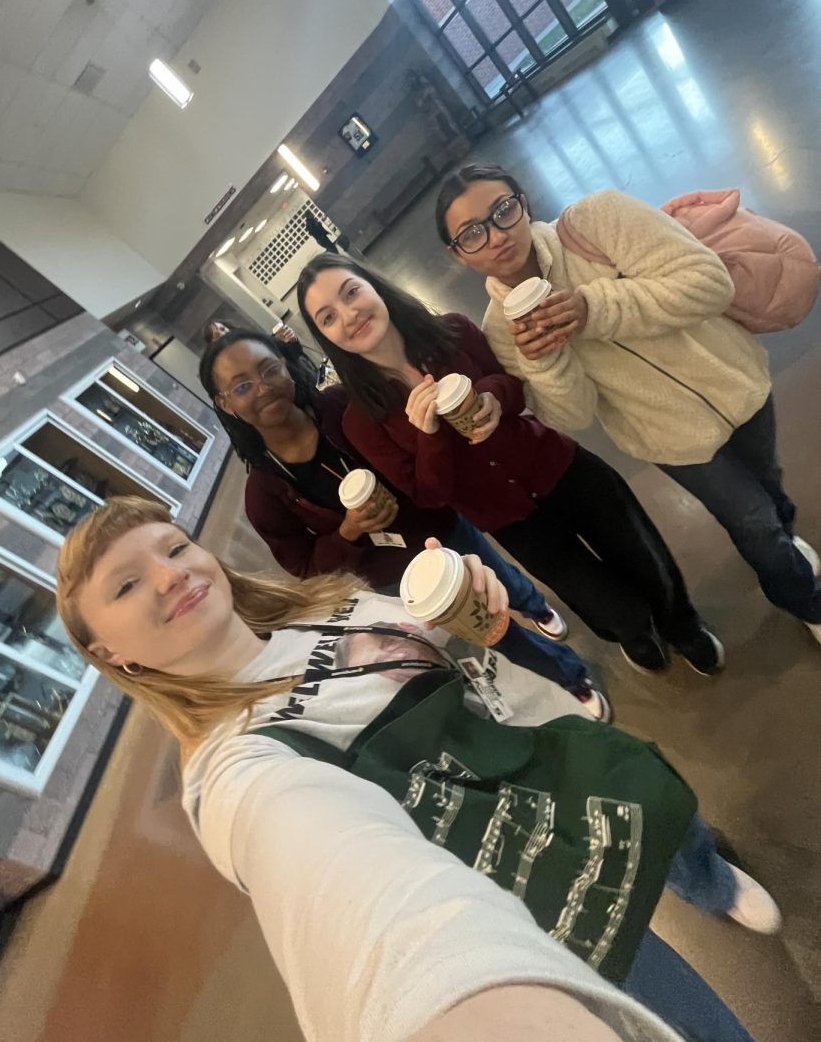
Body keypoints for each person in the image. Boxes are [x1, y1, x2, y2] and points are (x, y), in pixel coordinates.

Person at [55, 496, 779, 1042]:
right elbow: (344, 885)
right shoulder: (233, 770)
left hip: (546, 751)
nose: (167, 576)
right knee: (659, 1001)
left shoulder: (319, 606)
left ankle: (708, 883)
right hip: (518, 877)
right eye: (124, 586)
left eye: (175, 547)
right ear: (111, 655)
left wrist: (466, 599)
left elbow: (448, 635)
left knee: (665, 813)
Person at [435, 164, 821, 644]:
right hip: (668, 437)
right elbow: (572, 415)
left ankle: (785, 536)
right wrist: (549, 357)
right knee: (751, 520)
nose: (495, 235)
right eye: (472, 233)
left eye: (502, 209)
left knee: (770, 479)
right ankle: (803, 598)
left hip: (735, 381)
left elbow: (708, 282)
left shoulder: (599, 220)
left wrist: (593, 309)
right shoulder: (499, 330)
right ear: (458, 255)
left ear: (523, 201)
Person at [297, 254, 724, 678]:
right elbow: (430, 495)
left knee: (643, 556)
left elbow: (515, 386)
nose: (349, 315)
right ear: (325, 336)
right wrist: (431, 435)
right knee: (601, 600)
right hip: (511, 520)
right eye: (328, 317)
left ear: (373, 286)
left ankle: (682, 624)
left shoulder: (453, 331)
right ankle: (634, 633)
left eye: (351, 292)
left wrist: (492, 399)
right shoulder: (362, 419)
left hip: (562, 467)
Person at [198, 328, 605, 716]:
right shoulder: (265, 492)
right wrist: (349, 531)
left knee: (497, 575)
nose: (263, 387)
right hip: (396, 575)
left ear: (286, 365)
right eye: (241, 386)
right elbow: (304, 567)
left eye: (269, 369)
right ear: (224, 402)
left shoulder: (340, 405)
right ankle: (569, 676)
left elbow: (408, 445)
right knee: (487, 627)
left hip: (436, 527)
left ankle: (534, 605)